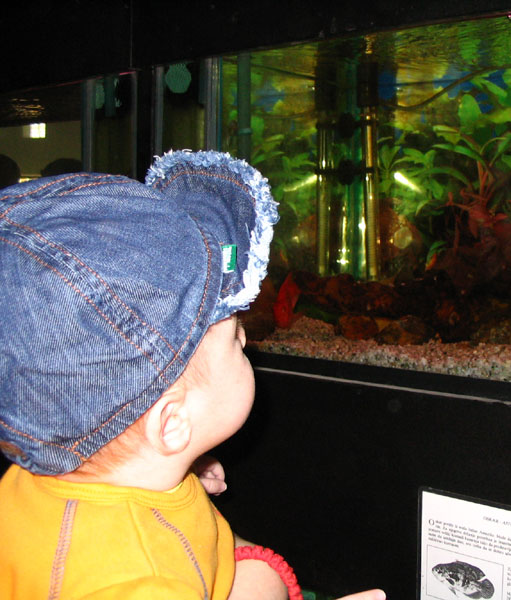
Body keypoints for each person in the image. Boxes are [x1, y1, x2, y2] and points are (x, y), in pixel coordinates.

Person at [0, 150, 384, 600]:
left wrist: (176, 471)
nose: (246, 339)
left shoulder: (41, 477)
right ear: (172, 424)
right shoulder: (142, 582)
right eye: (234, 337)